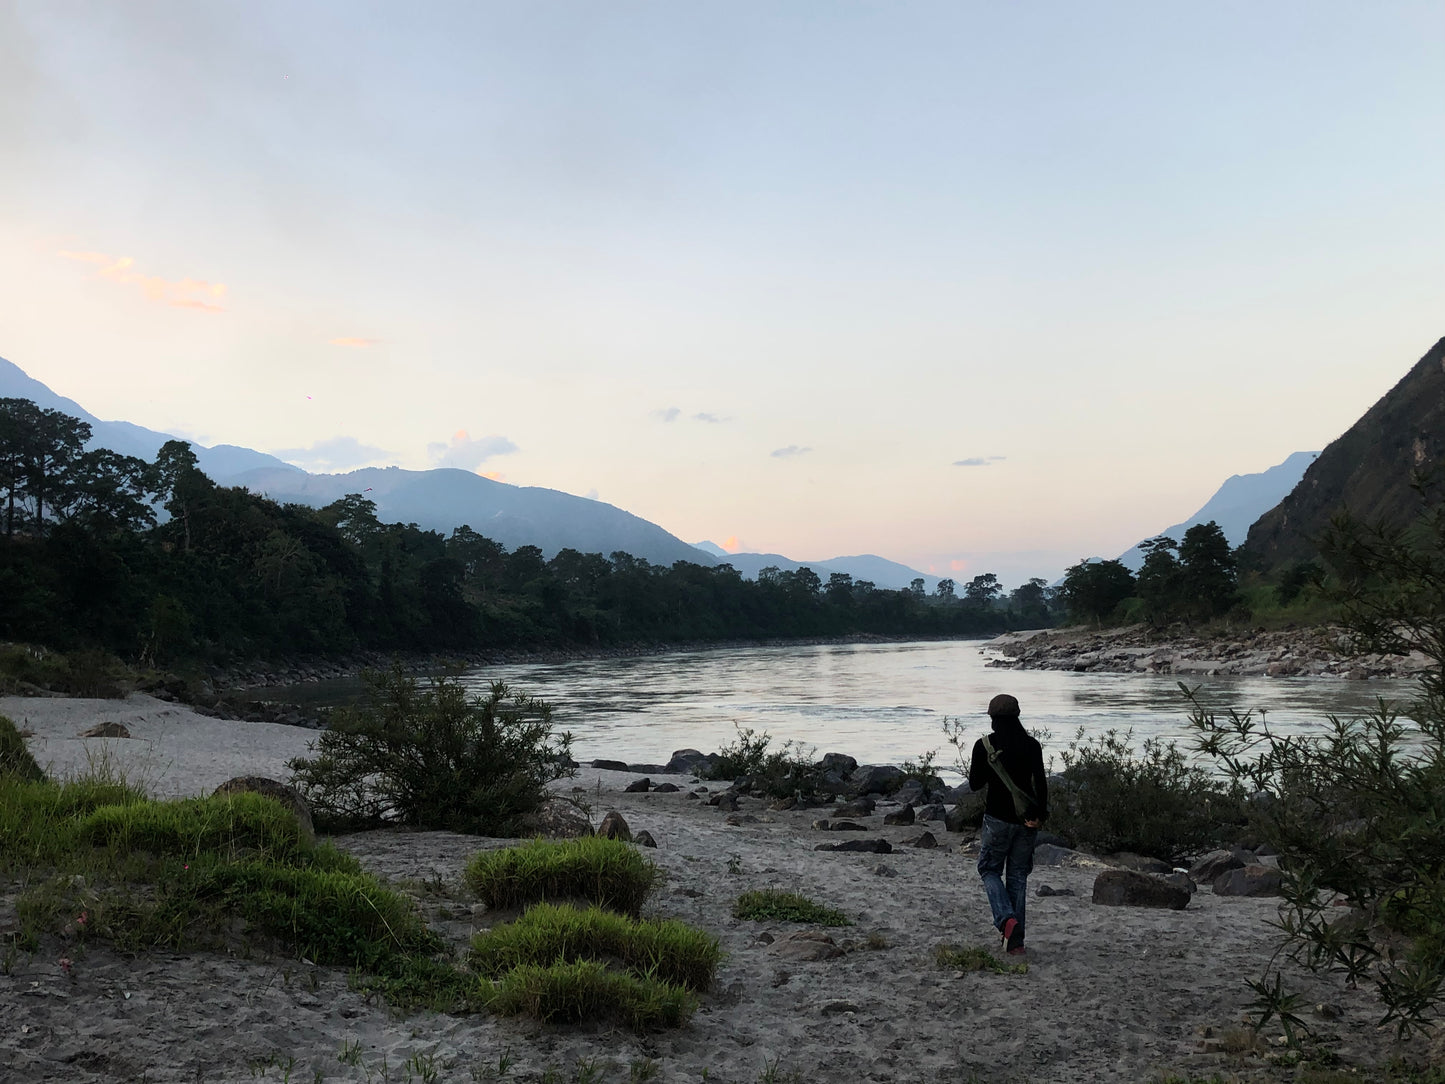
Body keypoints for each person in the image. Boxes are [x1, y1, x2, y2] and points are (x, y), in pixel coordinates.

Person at [968, 693, 1048, 956]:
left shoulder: (984, 746)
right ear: (1017, 715)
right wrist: (1040, 816)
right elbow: (1041, 784)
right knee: (1017, 876)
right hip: (1027, 820)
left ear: (992, 718)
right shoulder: (1032, 745)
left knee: (988, 869)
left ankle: (1006, 920)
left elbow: (975, 784)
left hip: (996, 819)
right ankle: (1016, 942)